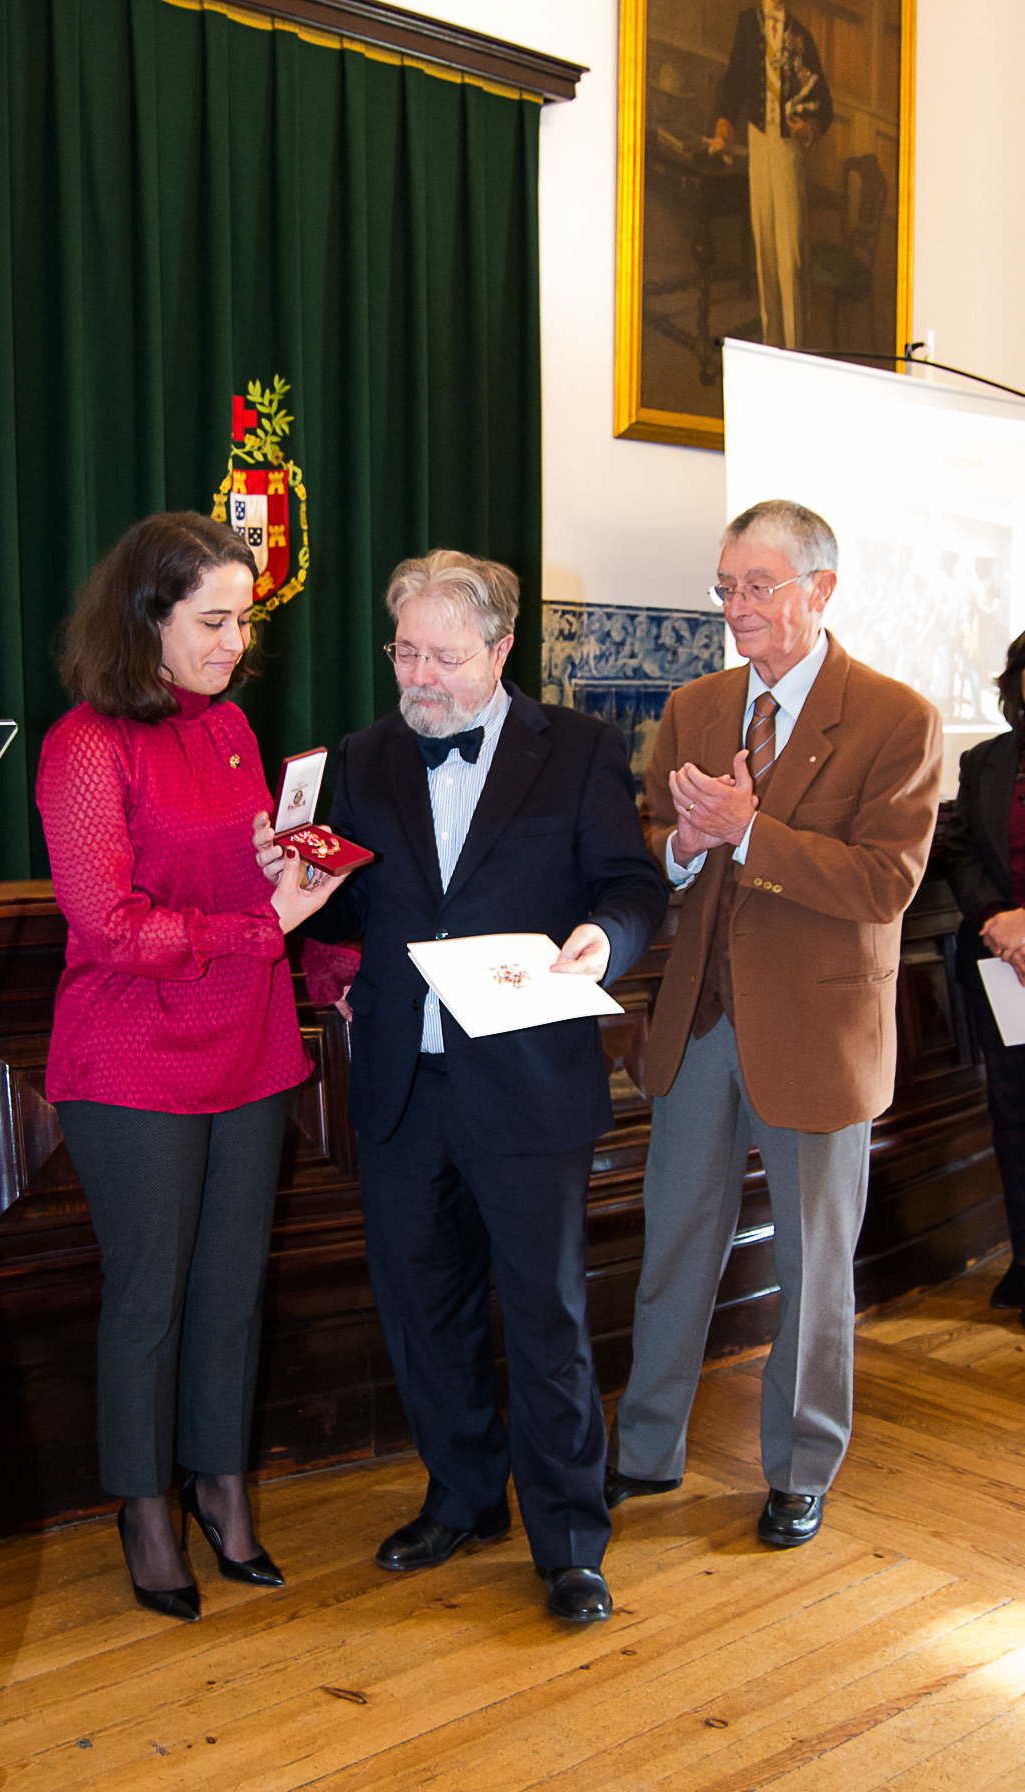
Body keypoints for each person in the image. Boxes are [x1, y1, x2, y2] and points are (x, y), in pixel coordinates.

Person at [256, 550, 668, 1624]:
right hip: (403, 1083)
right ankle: (462, 1497)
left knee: (545, 1318)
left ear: (499, 649)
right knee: (422, 1310)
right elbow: (356, 911)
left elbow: (631, 886)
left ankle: (569, 1540)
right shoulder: (364, 756)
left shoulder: (578, 748)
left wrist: (605, 937)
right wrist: (297, 884)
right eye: (404, 653)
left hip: (528, 1082)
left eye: (443, 656)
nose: (419, 677)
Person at [610, 500, 941, 1548]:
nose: (736, 607)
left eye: (757, 587)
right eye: (725, 588)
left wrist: (750, 832)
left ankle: (800, 1467)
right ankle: (645, 1449)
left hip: (816, 1034)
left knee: (813, 1268)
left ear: (819, 590)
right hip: (699, 1022)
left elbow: (884, 884)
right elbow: (654, 839)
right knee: (673, 1246)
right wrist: (681, 848)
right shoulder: (696, 705)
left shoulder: (895, 717)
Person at [38, 511, 342, 1623]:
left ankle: (219, 1483)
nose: (234, 643)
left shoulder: (231, 731)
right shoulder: (86, 744)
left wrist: (285, 874)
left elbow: (236, 877)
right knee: (150, 1295)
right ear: (145, 618)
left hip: (248, 1040)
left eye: (242, 620)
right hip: (131, 1053)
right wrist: (262, 927)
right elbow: (110, 924)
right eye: (212, 621)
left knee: (229, 1289)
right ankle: (144, 1506)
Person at [944, 630, 1025, 1315]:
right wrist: (999, 919)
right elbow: (961, 851)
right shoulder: (985, 760)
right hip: (1004, 965)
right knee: (1014, 1113)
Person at [709, 1, 832, 350]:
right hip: (757, 140)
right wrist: (724, 123)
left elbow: (826, 106)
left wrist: (807, 129)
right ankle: (772, 339)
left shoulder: (802, 36)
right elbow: (734, 80)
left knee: (789, 255)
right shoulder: (747, 24)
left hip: (788, 149)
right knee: (764, 245)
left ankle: (794, 348)